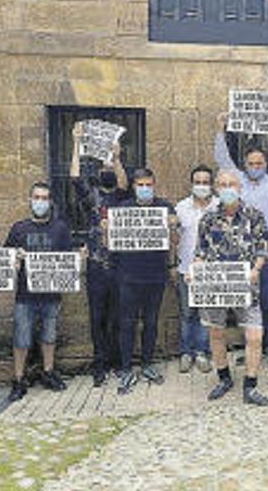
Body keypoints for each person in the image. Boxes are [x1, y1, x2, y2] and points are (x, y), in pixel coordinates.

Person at [214, 113, 268, 376]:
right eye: (251, 162)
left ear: (266, 163)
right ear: (245, 164)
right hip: (241, 251)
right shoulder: (237, 183)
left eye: (259, 162)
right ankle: (253, 349)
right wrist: (220, 129)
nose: (255, 166)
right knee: (244, 305)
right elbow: (222, 160)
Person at [194, 169, 268, 406]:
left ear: (240, 188)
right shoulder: (208, 219)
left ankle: (250, 385)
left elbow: (262, 248)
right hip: (216, 287)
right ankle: (224, 378)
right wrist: (196, 271)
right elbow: (200, 252)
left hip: (247, 286)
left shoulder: (254, 216)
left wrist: (256, 269)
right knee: (217, 334)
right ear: (217, 189)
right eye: (223, 184)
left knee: (255, 336)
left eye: (232, 184)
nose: (227, 188)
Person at [70, 122, 130, 387]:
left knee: (118, 316)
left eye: (110, 169)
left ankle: (118, 362)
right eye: (104, 167)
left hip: (120, 266)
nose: (107, 172)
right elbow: (74, 178)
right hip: (96, 265)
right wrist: (75, 143)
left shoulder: (121, 198)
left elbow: (125, 183)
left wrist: (116, 158)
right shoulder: (91, 195)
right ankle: (99, 364)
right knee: (97, 318)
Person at [110, 167, 178, 394]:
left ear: (154, 185)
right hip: (127, 276)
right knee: (127, 323)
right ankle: (126, 367)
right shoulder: (123, 209)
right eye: (140, 185)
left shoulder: (164, 207)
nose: (145, 189)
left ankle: (147, 364)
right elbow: (111, 239)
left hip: (155, 275)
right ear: (133, 187)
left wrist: (173, 222)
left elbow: (176, 226)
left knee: (151, 322)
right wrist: (106, 229)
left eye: (149, 185)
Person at [4, 182, 73, 402]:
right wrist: (15, 257)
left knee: (49, 335)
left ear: (50, 202)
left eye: (44, 198)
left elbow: (67, 260)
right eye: (36, 197)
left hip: (52, 295)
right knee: (21, 337)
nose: (40, 202)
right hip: (25, 295)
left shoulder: (60, 229)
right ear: (30, 200)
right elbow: (5, 259)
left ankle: (48, 371)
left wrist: (77, 260)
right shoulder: (19, 229)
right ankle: (18, 378)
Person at [175, 165, 218, 373]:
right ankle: (186, 352)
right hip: (185, 269)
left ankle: (202, 352)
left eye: (205, 182)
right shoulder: (181, 207)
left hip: (211, 271)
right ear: (192, 184)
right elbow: (174, 236)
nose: (201, 186)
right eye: (198, 182)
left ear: (212, 184)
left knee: (206, 313)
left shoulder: (220, 207)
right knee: (186, 313)